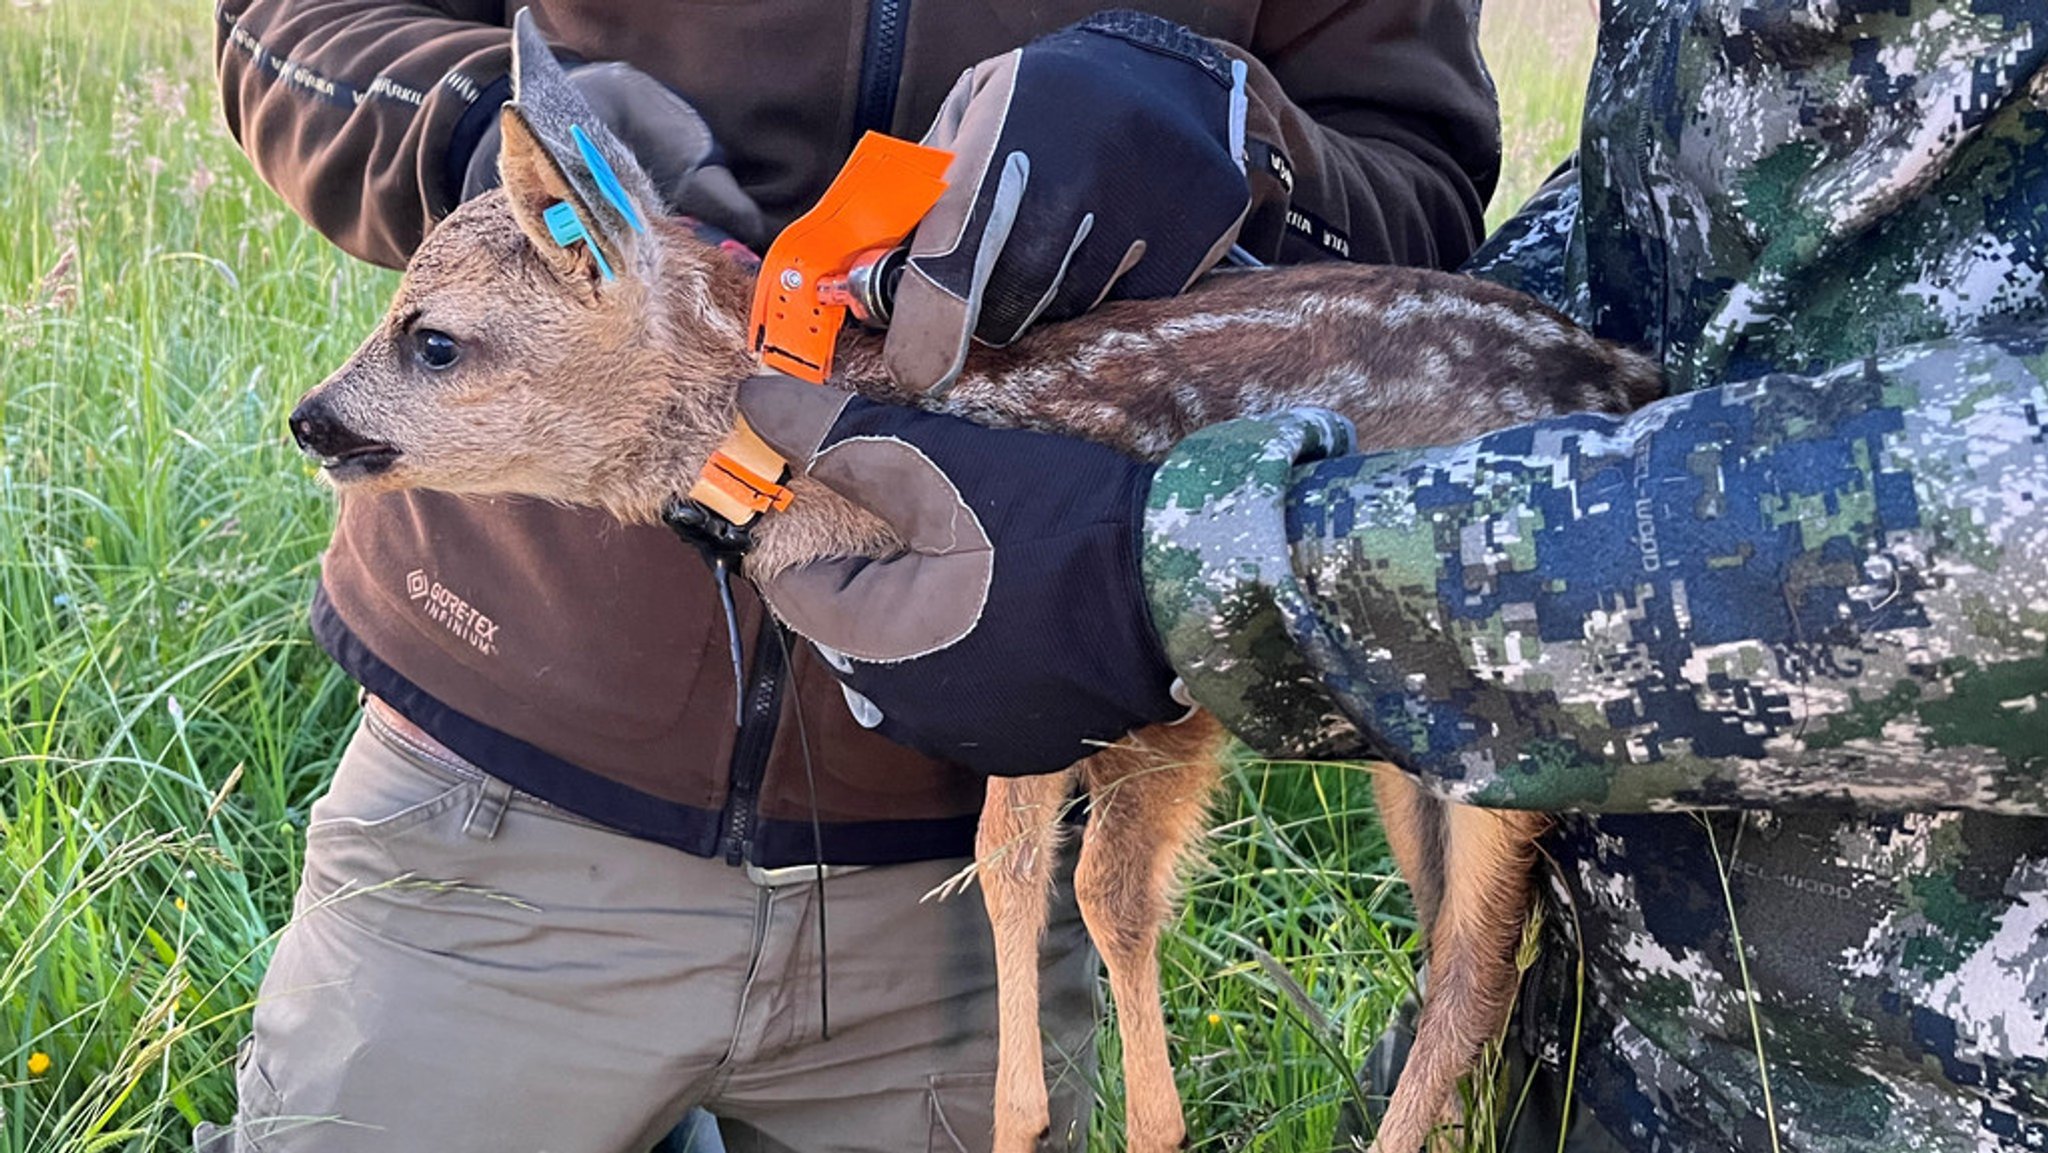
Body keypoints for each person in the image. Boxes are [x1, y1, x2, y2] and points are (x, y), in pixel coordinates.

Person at [738, 1, 2048, 1149]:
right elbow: (1657, 258)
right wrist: (1265, 234)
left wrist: (1209, 567)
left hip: (1928, 1068)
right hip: (1608, 1044)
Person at [202, 2, 1501, 1150]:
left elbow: (1418, 185)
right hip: (499, 817)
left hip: (961, 884)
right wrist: (497, 147)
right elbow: (288, 24)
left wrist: (1229, 140)